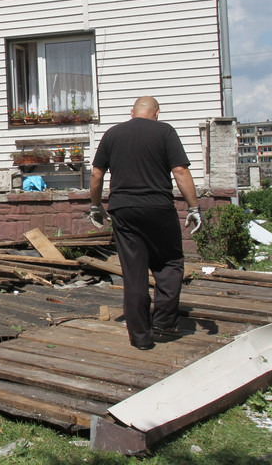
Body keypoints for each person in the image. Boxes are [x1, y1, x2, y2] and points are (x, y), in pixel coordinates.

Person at [88, 96, 202, 351]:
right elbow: (180, 171)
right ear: (157, 113)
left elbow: (97, 173)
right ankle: (162, 323)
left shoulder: (112, 134)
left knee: (134, 272)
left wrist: (95, 205)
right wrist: (194, 206)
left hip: (124, 210)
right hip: (158, 207)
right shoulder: (165, 131)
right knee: (170, 262)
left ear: (132, 113)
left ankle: (140, 337)